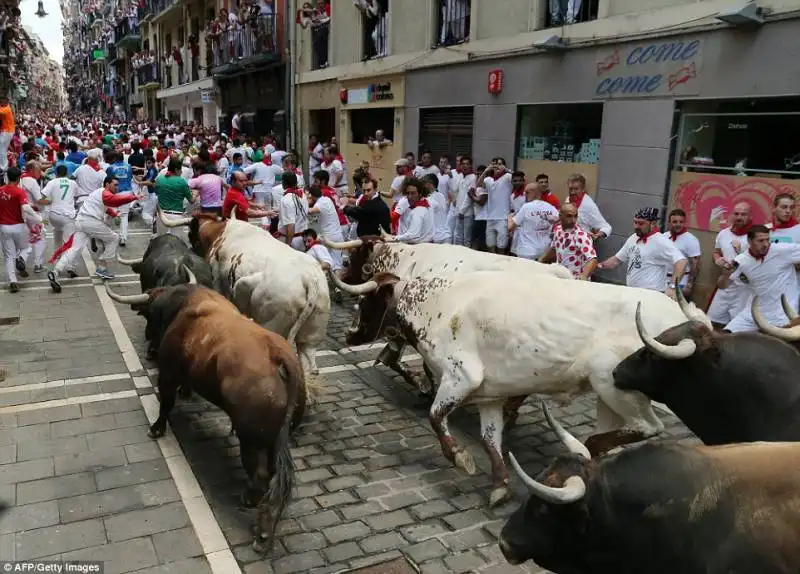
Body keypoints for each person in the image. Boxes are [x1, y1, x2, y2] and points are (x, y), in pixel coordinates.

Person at [48, 176, 139, 291]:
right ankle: (102, 267)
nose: (117, 187)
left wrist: (114, 214)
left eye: (117, 185)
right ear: (107, 184)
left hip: (80, 221)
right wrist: (133, 197)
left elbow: (105, 208)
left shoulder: (98, 193)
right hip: (90, 221)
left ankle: (55, 272)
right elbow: (115, 201)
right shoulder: (105, 193)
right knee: (113, 238)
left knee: (74, 249)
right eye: (115, 185)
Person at [720, 225, 800, 333]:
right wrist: (725, 275)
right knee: (725, 337)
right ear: (749, 241)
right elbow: (722, 285)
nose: (766, 244)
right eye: (761, 241)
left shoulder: (782, 250)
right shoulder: (741, 260)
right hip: (753, 314)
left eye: (768, 240)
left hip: (782, 315)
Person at [597, 207, 687, 296]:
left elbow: (682, 262)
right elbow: (617, 260)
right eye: (635, 222)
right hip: (633, 292)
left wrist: (672, 287)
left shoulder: (661, 241)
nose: (636, 226)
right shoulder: (633, 237)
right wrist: (599, 265)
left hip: (652, 295)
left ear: (653, 223)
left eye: (641, 223)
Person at [707, 202, 753, 328]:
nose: (739, 217)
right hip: (725, 284)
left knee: (737, 327)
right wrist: (718, 259)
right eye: (736, 214)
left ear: (750, 216)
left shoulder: (755, 236)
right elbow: (716, 252)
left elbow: (760, 262)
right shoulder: (723, 233)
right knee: (712, 322)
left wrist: (741, 252)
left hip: (745, 288)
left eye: (743, 214)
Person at [0, 167, 42, 293]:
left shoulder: (0, 190)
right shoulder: (19, 192)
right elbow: (26, 208)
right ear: (19, 178)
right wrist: (38, 218)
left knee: (8, 256)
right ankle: (21, 259)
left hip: (3, 227)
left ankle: (13, 281)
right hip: (18, 226)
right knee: (26, 247)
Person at [539, 203, 597, 280]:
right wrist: (540, 261)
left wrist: (584, 276)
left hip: (575, 281)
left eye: (575, 216)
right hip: (560, 276)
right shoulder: (558, 230)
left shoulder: (581, 235)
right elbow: (554, 248)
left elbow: (593, 259)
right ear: (560, 216)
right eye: (569, 216)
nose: (573, 220)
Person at [507, 182, 558, 260]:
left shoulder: (526, 207)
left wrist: (509, 218)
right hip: (544, 252)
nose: (525, 195)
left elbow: (510, 227)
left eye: (527, 192)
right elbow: (558, 221)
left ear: (536, 193)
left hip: (526, 251)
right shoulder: (551, 208)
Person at [662, 208, 701, 298]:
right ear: (669, 223)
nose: (678, 224)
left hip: (681, 281)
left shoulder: (691, 240)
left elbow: (696, 263)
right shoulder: (663, 237)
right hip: (662, 280)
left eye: (681, 222)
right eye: (675, 222)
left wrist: (690, 285)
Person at [39, 164, 78, 250]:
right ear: (67, 173)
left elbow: (40, 198)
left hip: (54, 215)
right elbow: (76, 196)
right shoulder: (73, 183)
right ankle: (66, 261)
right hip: (68, 215)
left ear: (56, 173)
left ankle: (57, 258)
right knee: (69, 241)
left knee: (57, 236)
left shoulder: (52, 182)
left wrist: (49, 202)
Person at [385, 178, 434, 244]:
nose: (409, 197)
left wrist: (394, 238)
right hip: (421, 245)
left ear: (420, 193)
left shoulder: (418, 211)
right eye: (408, 193)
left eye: (413, 193)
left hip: (415, 248)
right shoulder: (427, 203)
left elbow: (412, 235)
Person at [154, 158, 196, 235]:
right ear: (176, 169)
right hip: (177, 217)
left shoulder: (159, 179)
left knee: (161, 242)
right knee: (177, 243)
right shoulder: (182, 181)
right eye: (180, 169)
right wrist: (196, 193)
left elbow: (157, 193)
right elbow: (191, 200)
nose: (181, 172)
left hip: (162, 216)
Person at [566, 173, 611, 241]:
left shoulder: (588, 205)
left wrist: (597, 236)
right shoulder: (568, 199)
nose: (572, 192)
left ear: (583, 189)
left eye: (576, 189)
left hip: (582, 245)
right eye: (570, 189)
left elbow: (606, 227)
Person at [307, 184, 344, 268]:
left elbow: (311, 211)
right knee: (337, 263)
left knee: (327, 261)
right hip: (338, 234)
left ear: (311, 196)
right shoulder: (327, 199)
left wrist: (305, 203)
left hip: (329, 237)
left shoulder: (319, 204)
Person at [106, 151, 134, 246]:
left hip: (115, 193)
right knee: (124, 216)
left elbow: (108, 181)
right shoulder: (129, 167)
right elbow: (130, 178)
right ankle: (123, 238)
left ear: (114, 159)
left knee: (109, 213)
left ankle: (107, 237)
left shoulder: (110, 168)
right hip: (127, 192)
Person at [276, 171, 309, 250]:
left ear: (284, 183)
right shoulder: (302, 195)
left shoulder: (286, 199)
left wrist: (287, 246)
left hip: (291, 239)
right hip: (303, 238)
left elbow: (290, 226)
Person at [0, 95, 15, 175]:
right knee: (2, 149)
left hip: (7, 131)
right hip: (6, 131)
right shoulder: (3, 107)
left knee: (2, 149)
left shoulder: (7, 109)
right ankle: (3, 166)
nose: (1, 102)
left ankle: (3, 168)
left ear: (7, 102)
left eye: (3, 101)